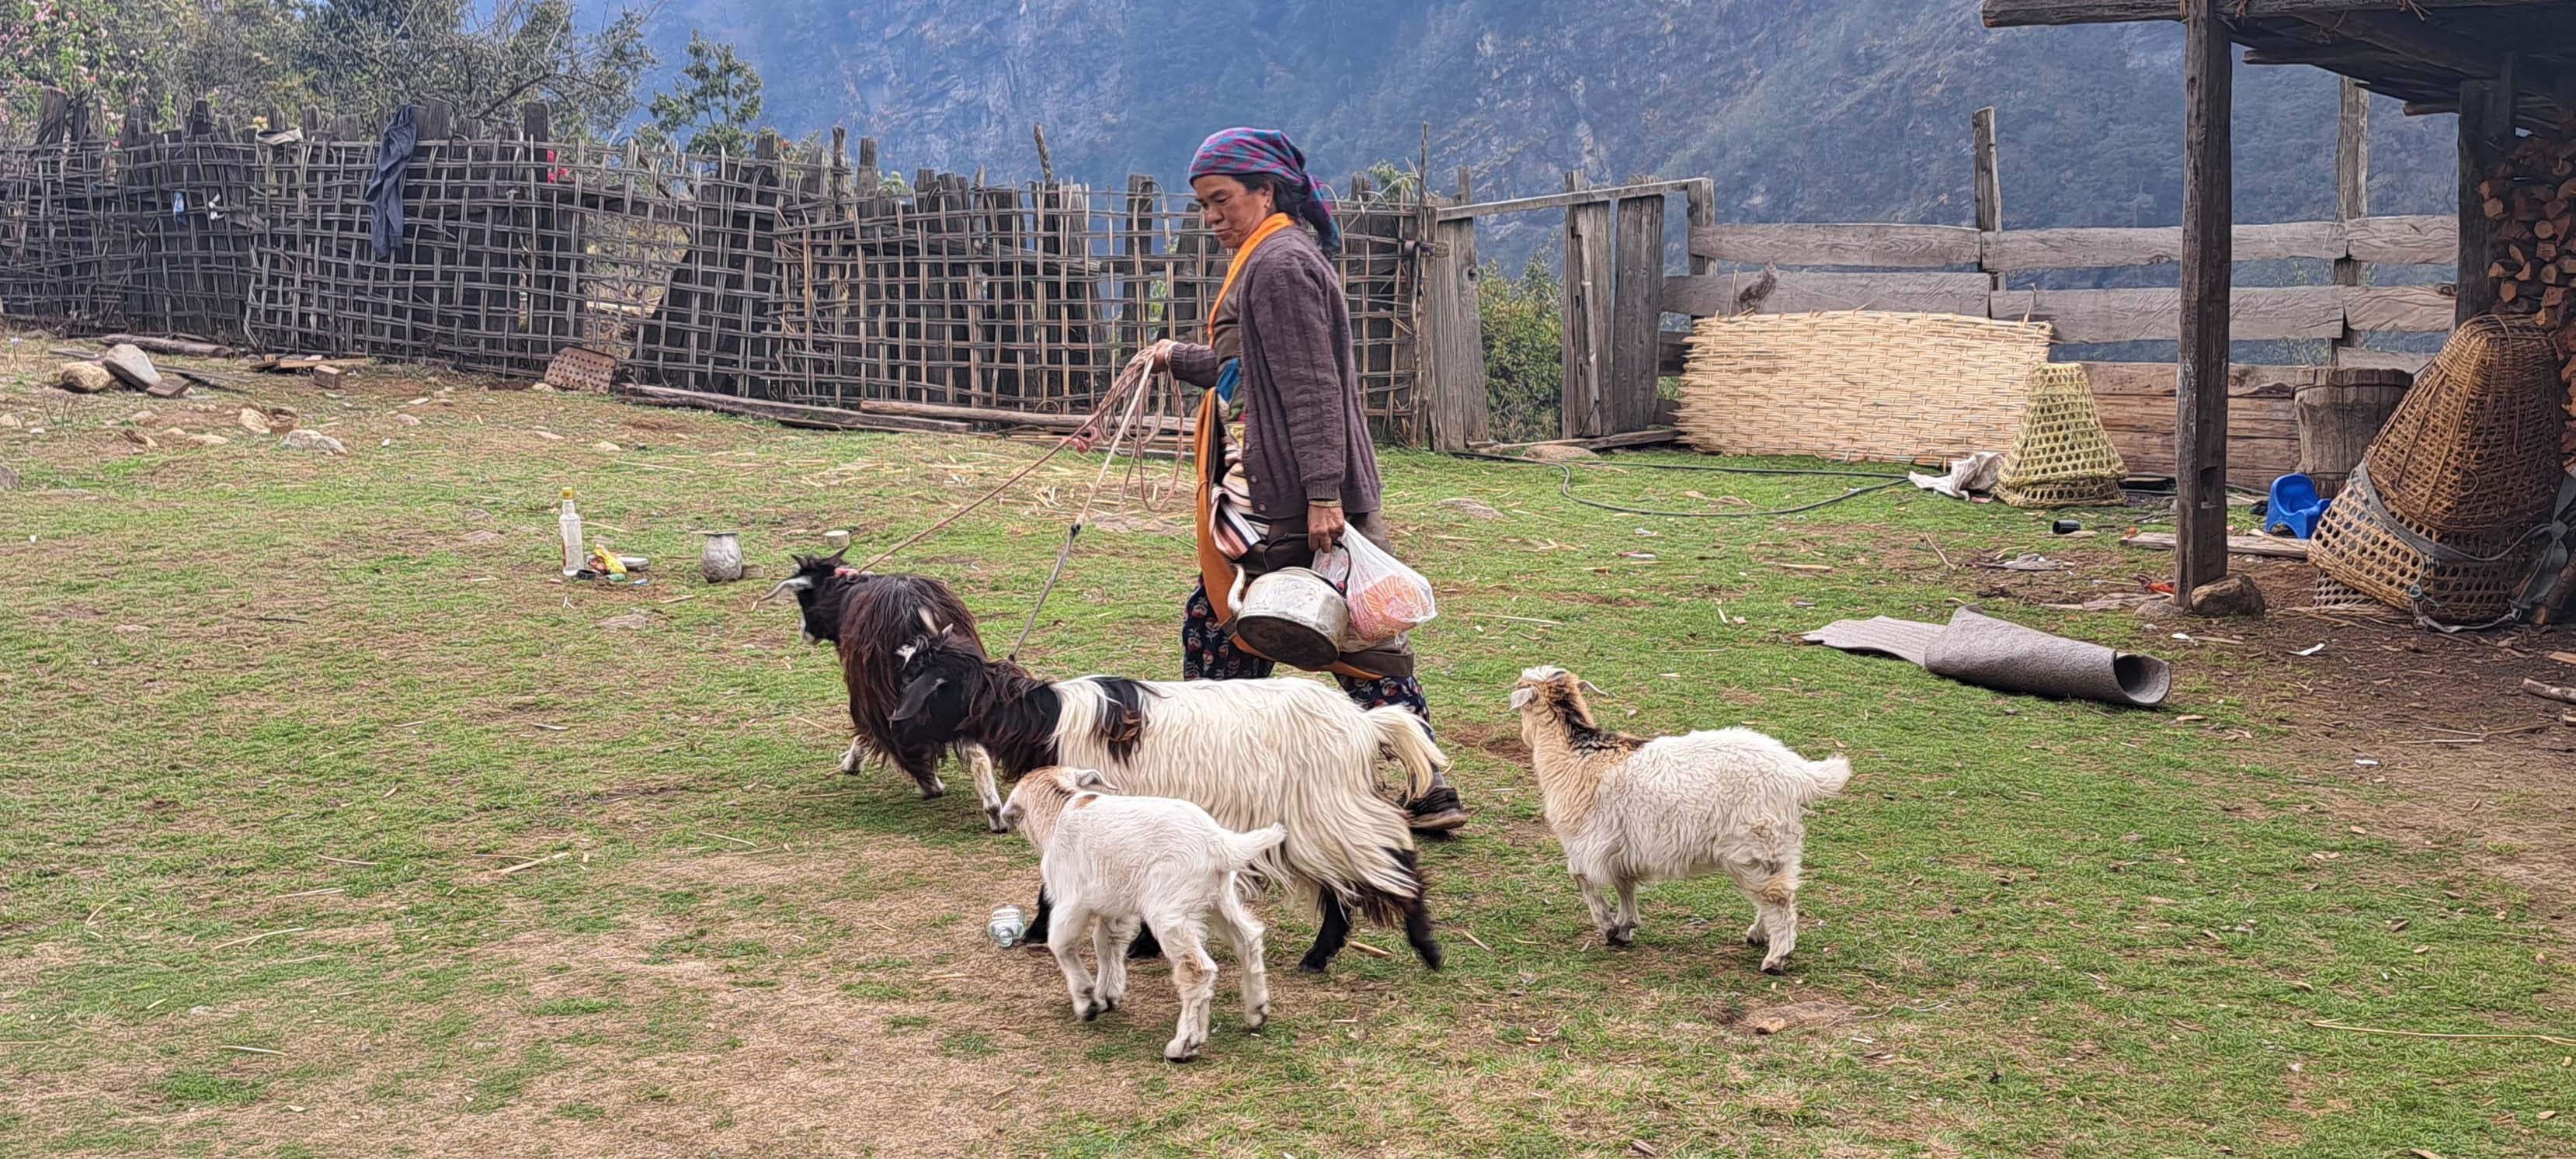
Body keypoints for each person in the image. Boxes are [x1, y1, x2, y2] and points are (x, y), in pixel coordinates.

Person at [1141, 127, 1468, 834]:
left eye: (1223, 200)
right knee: (1342, 639)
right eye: (1202, 205)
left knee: (1229, 629)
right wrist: (1176, 356)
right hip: (1282, 483)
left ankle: (1214, 782)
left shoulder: (1279, 266)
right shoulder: (1274, 257)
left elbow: (1313, 388)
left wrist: (1325, 495)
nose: (1213, 219)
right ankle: (1427, 786)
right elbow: (1252, 371)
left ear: (1267, 191)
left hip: (1287, 493)